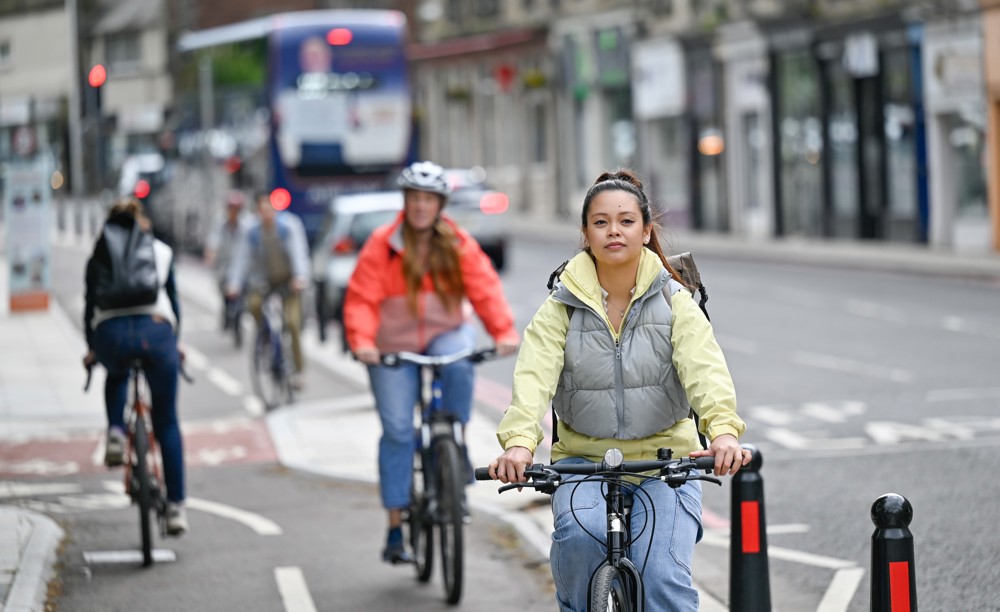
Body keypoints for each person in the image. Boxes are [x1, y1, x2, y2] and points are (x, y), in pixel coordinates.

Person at [485, 169, 751, 612]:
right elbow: (532, 378)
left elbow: (705, 370)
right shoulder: (561, 307)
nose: (614, 231)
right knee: (580, 543)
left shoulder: (674, 300)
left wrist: (722, 431)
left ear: (647, 231)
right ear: (586, 233)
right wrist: (518, 444)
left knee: (661, 576)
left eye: (626, 221)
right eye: (601, 222)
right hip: (583, 463)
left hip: (666, 463)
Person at [343, 160, 521, 564]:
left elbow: (484, 287)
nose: (421, 206)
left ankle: (450, 439)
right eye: (414, 198)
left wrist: (503, 330)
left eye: (429, 199)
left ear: (440, 204)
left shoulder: (456, 242)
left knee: (460, 363)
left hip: (444, 332)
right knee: (399, 432)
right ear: (405, 202)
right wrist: (363, 341)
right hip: (392, 344)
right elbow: (361, 300)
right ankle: (394, 526)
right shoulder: (381, 244)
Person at [83, 197, 189, 536]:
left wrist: (92, 347)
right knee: (167, 421)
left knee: (116, 373)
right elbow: (173, 302)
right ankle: (175, 508)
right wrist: (176, 341)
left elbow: (90, 307)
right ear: (141, 220)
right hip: (156, 332)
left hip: (110, 334)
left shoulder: (99, 253)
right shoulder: (160, 251)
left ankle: (116, 431)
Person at [226, 191, 311, 390]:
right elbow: (242, 258)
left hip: (289, 281)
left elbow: (299, 253)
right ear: (257, 212)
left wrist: (300, 277)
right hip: (264, 281)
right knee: (254, 305)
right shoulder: (252, 231)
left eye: (269, 209)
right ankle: (264, 337)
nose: (266, 214)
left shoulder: (288, 226)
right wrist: (234, 283)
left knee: (292, 324)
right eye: (262, 210)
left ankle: (298, 371)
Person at [204, 190, 249, 334]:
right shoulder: (220, 221)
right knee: (222, 286)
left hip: (241, 263)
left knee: (244, 289)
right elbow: (213, 240)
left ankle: (239, 316)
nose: (233, 212)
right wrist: (211, 253)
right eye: (231, 209)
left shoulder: (247, 223)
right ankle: (226, 310)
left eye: (236, 209)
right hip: (224, 262)